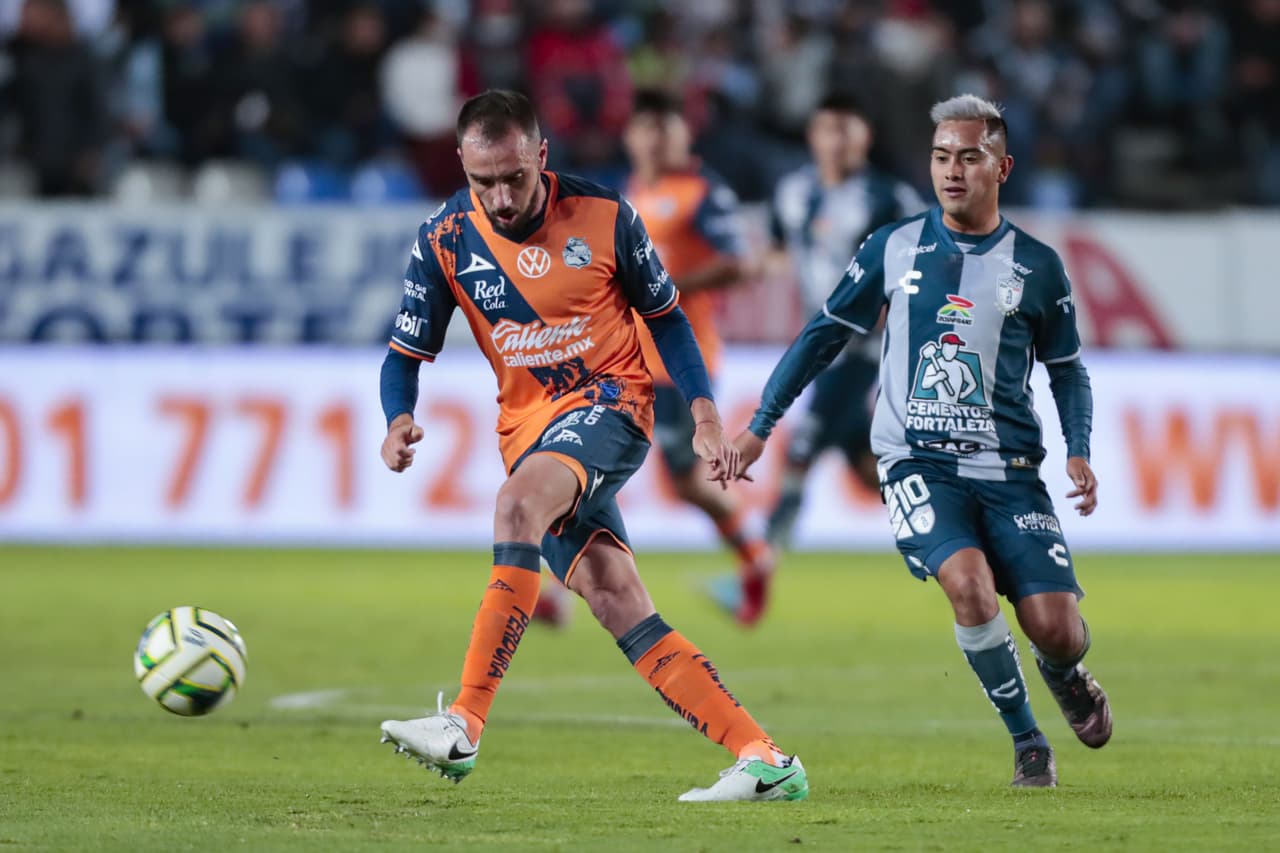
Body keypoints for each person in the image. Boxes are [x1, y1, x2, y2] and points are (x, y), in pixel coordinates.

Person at [375, 90, 807, 802]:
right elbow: (403, 352)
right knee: (613, 596)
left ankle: (464, 723)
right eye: (484, 181)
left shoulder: (605, 216)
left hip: (612, 404)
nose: (502, 196)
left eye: (515, 176)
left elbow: (667, 318)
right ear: (462, 164)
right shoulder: (444, 238)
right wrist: (397, 417)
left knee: (517, 507)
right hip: (529, 428)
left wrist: (702, 414)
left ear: (541, 155)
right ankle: (764, 758)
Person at [734, 94, 1112, 788]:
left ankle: (1064, 671)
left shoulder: (1038, 266)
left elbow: (1067, 369)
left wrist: (1079, 446)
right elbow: (824, 334)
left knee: (1055, 626)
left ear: (1003, 166)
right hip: (916, 459)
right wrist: (762, 424)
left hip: (1011, 468)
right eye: (942, 156)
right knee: (968, 587)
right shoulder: (893, 245)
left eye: (970, 156)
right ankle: (1028, 741)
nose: (953, 170)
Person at [622, 88, 775, 626]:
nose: (657, 138)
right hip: (632, 358)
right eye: (647, 127)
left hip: (679, 361)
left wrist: (666, 287)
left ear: (684, 136)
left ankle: (555, 585)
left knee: (656, 475)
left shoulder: (702, 192)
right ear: (631, 137)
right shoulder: (634, 192)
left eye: (667, 128)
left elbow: (739, 262)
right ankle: (756, 557)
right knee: (680, 480)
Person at [763, 93, 926, 552]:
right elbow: (778, 250)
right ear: (813, 136)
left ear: (864, 137)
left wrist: (891, 308)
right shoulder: (792, 192)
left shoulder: (891, 198)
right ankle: (952, 522)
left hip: (863, 347)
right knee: (866, 463)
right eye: (827, 130)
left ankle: (758, 567)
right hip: (816, 346)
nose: (835, 142)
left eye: (846, 130)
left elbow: (924, 266)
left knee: (801, 447)